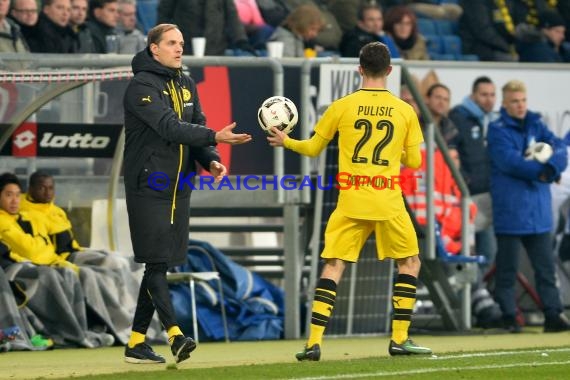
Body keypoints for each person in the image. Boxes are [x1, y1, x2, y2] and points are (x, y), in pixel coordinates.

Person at [267, 41, 431, 360]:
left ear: (359, 70)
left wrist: (286, 141)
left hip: (351, 199)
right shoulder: (405, 110)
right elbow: (414, 163)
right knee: (409, 263)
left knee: (333, 265)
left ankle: (313, 343)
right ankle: (399, 338)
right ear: (389, 71)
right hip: (388, 201)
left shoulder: (342, 106)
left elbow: (313, 149)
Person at [122, 23, 251, 364]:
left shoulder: (186, 82)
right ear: (154, 49)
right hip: (149, 185)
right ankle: (175, 335)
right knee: (156, 261)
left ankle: (136, 342)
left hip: (180, 187)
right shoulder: (141, 86)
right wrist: (215, 137)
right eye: (171, 43)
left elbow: (195, 126)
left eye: (181, 43)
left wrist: (211, 160)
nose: (179, 49)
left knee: (159, 265)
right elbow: (169, 127)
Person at [487, 79, 570, 333]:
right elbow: (510, 163)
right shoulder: (497, 129)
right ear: (505, 103)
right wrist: (545, 173)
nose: (520, 105)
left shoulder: (537, 123)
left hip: (538, 211)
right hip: (511, 209)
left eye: (522, 100)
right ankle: (509, 316)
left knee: (545, 269)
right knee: (507, 269)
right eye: (514, 101)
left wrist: (551, 168)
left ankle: (553, 314)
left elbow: (561, 150)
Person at [0, 173, 114, 348]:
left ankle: (82, 330)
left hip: (35, 263)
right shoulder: (3, 220)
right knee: (48, 275)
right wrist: (41, 249)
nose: (15, 200)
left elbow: (41, 248)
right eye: (8, 195)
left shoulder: (22, 218)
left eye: (17, 195)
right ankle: (68, 335)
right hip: (13, 268)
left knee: (67, 273)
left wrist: (42, 250)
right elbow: (32, 250)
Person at [448, 76, 498, 274]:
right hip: (466, 198)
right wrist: (464, 180)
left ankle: (474, 297)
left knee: (488, 253)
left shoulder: (492, 120)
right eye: (484, 95)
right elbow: (450, 153)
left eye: (492, 95)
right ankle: (465, 300)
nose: (489, 99)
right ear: (473, 95)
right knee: (465, 254)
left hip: (487, 197)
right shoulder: (458, 117)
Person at [157, 0, 256, 56]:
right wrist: (160, 39)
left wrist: (241, 40)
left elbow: (232, 15)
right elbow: (164, 14)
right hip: (184, 49)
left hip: (216, 49)